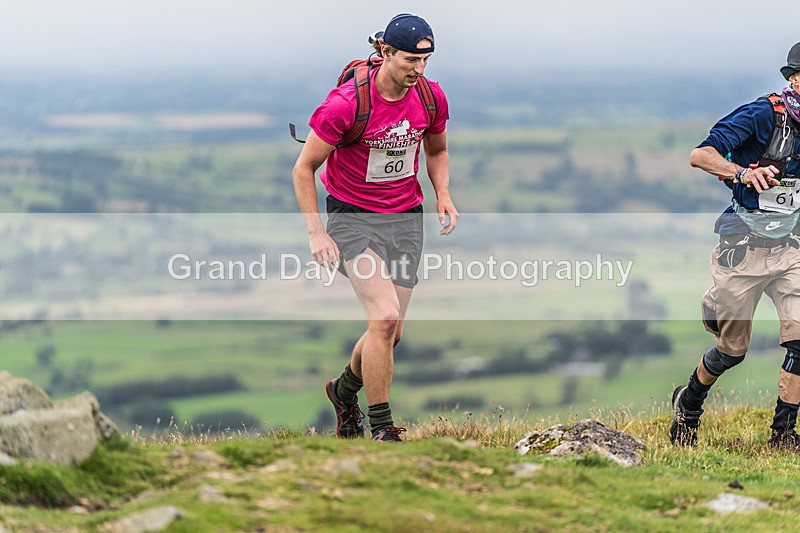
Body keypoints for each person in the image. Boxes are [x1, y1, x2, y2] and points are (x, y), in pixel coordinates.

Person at [291, 13, 458, 442]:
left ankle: (343, 392)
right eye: (409, 60)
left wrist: (443, 194)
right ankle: (383, 429)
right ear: (385, 52)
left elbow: (436, 151)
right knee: (383, 318)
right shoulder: (346, 105)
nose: (418, 70)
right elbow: (303, 168)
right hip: (352, 218)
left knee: (391, 332)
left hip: (405, 218)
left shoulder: (430, 97)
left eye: (426, 60)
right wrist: (316, 232)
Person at [670, 42, 800, 449]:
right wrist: (742, 172)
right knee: (731, 351)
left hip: (792, 249)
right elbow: (700, 154)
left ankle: (782, 435)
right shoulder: (763, 114)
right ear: (794, 78)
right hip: (742, 247)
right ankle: (689, 402)